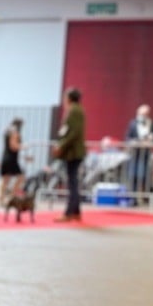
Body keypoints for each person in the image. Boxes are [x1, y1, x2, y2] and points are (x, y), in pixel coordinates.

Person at [53, 87, 87, 223]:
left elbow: (73, 132)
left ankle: (68, 213)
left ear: (69, 98)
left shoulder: (74, 111)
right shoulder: (76, 110)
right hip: (73, 151)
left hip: (73, 152)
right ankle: (76, 212)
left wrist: (61, 145)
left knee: (72, 183)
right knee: (73, 181)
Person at [125, 104, 153, 195]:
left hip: (146, 154)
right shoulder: (132, 123)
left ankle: (144, 195)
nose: (141, 116)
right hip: (134, 154)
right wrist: (134, 142)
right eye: (140, 113)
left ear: (148, 114)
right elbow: (127, 138)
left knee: (145, 176)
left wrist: (152, 140)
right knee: (133, 175)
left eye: (143, 114)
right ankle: (133, 196)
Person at [0, 118, 25, 207]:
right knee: (21, 177)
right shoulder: (15, 133)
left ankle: (1, 200)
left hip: (6, 157)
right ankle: (11, 197)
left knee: (5, 179)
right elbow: (13, 146)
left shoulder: (7, 132)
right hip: (11, 159)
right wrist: (22, 146)